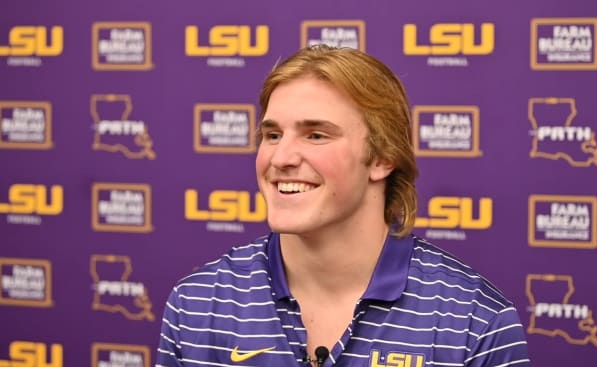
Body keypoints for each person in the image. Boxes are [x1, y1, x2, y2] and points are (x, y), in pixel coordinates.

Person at [156, 44, 531, 367]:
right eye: (272, 135)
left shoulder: (475, 321)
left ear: (383, 156)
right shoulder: (197, 305)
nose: (281, 156)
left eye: (316, 135)